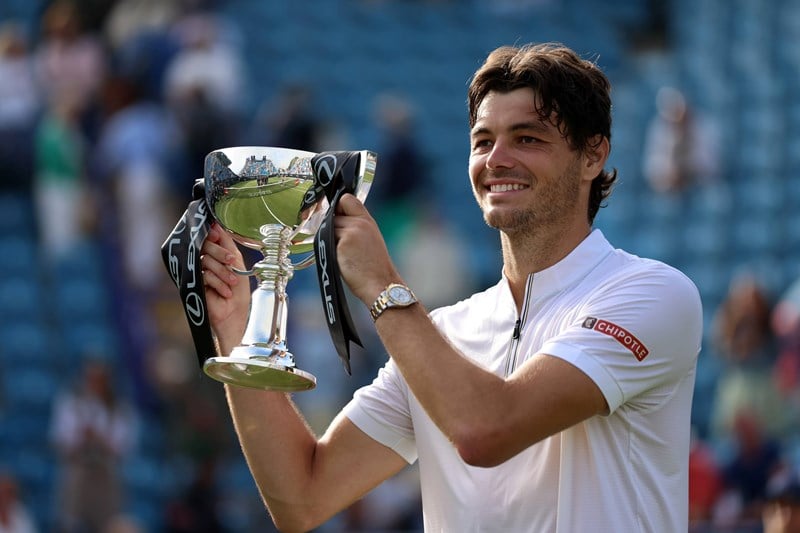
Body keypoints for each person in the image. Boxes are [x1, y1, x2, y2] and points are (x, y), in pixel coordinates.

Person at [199, 42, 703, 531]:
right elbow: (303, 497)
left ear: (593, 156)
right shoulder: (442, 334)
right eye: (483, 141)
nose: (497, 159)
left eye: (528, 138)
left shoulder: (653, 294)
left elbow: (486, 430)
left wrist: (381, 282)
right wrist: (238, 328)